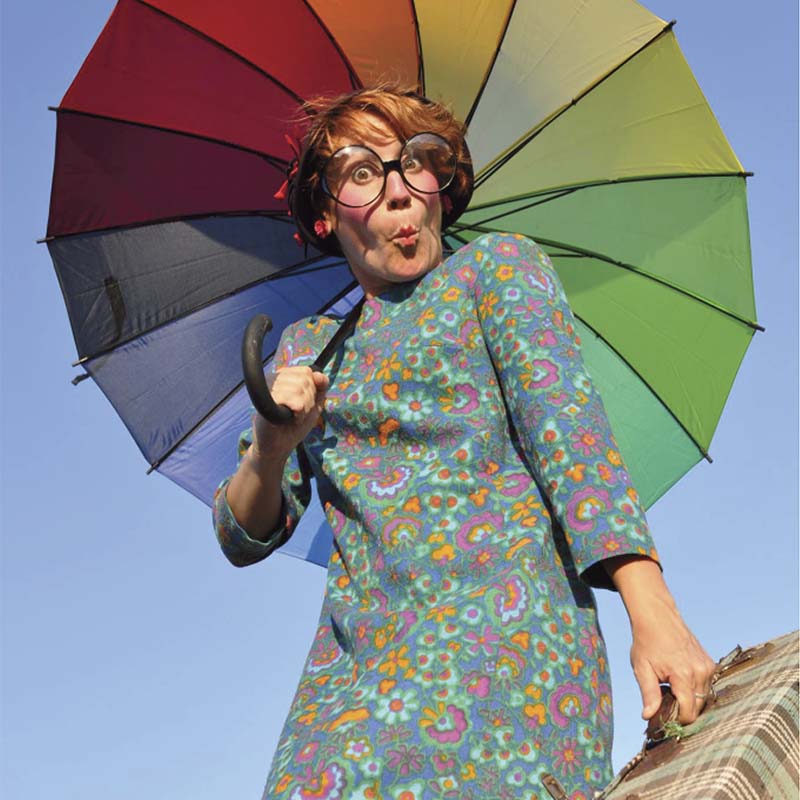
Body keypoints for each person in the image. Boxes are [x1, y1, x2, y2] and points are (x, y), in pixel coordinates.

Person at [213, 86, 714, 800]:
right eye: (362, 173)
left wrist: (653, 611)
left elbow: (571, 440)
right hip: (345, 689)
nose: (398, 192)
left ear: (440, 186)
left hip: (505, 651)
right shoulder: (310, 351)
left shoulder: (496, 270)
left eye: (416, 162)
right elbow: (240, 533)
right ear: (325, 214)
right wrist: (268, 447)